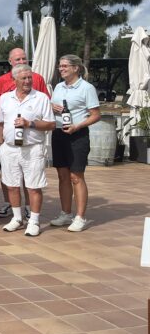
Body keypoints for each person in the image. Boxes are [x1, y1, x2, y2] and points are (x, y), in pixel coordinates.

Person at [0, 64, 55, 236]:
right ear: (14, 80)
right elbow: (1, 123)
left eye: (30, 78)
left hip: (33, 148)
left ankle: (34, 221)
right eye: (24, 78)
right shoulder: (5, 98)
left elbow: (51, 124)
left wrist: (30, 124)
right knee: (12, 185)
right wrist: (1, 143)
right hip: (9, 148)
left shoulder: (41, 98)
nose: (28, 81)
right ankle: (17, 219)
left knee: (34, 187)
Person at [49, 54, 101, 232]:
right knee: (62, 176)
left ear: (75, 68)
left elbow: (96, 115)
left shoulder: (87, 88)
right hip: (58, 133)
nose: (61, 69)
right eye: (60, 66)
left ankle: (80, 217)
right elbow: (53, 108)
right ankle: (65, 214)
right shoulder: (58, 86)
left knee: (76, 177)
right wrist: (51, 107)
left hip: (77, 135)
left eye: (64, 66)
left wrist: (77, 126)